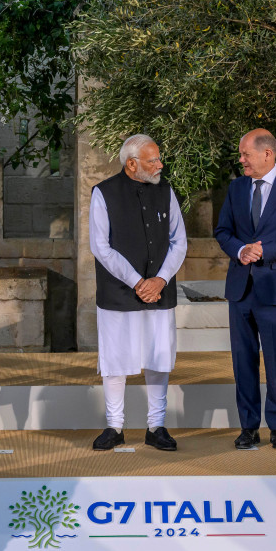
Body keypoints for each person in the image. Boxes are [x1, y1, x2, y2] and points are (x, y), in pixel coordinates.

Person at [88, 134, 188, 451]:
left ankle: (156, 427)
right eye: (152, 160)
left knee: (158, 358)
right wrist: (136, 281)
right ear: (132, 164)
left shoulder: (166, 191)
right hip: (118, 293)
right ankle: (114, 427)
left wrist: (159, 279)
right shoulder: (103, 193)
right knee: (115, 361)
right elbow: (100, 247)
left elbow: (179, 242)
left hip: (160, 292)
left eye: (159, 159)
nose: (160, 165)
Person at [214, 128, 276, 450]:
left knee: (275, 363)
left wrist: (263, 251)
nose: (240, 159)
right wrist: (242, 251)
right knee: (243, 363)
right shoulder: (236, 188)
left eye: (245, 154)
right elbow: (223, 230)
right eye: (241, 155)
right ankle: (248, 428)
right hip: (240, 290)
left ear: (267, 154)